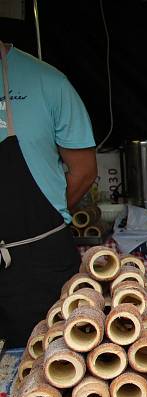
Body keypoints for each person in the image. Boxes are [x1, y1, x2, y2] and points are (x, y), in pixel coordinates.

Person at [0, 41, 97, 347]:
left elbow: (83, 171)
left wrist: (41, 226)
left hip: (37, 265)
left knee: (46, 367)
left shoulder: (47, 82)